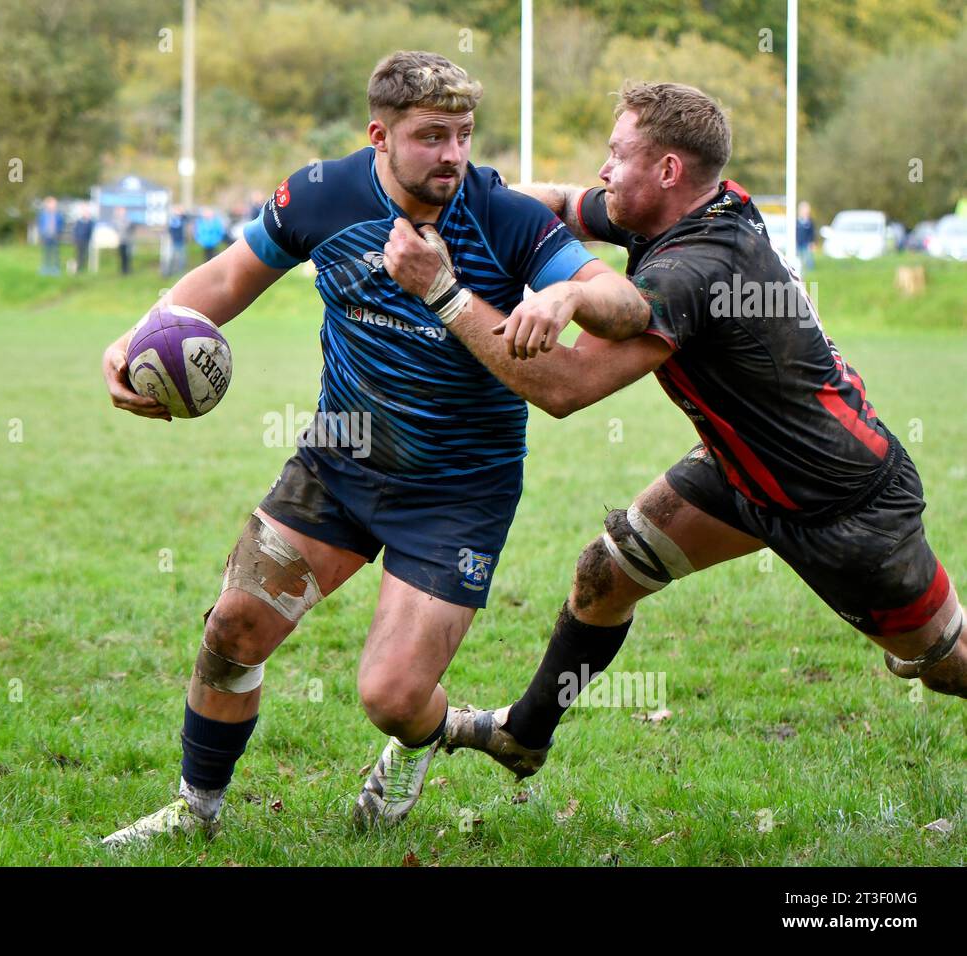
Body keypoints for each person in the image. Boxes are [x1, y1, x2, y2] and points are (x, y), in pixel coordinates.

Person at [98, 50, 647, 846]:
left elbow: (624, 302)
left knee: (392, 696)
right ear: (379, 135)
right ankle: (196, 810)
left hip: (460, 491)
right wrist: (133, 337)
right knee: (232, 632)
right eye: (431, 137)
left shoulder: (503, 215)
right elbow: (225, 281)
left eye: (463, 135)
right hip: (337, 463)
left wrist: (565, 289)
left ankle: (417, 741)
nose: (453, 154)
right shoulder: (322, 194)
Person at [375, 81, 966, 783]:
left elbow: (565, 386)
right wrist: (457, 194)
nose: (603, 169)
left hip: (843, 508)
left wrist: (447, 290)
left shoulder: (702, 267)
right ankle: (524, 737)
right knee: (605, 573)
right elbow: (562, 205)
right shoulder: (671, 211)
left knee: (944, 667)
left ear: (667, 171)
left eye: (616, 154)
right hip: (737, 469)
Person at [37, 196, 62, 275]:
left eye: (54, 204)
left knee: (55, 253)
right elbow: (40, 224)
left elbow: (61, 224)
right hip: (46, 236)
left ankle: (55, 268)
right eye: (51, 204)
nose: (53, 206)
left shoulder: (58, 215)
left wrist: (58, 232)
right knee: (46, 253)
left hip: (55, 236)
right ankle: (45, 268)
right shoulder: (43, 215)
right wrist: (42, 233)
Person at [163, 205, 188, 277]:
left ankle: (181, 272)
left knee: (181, 257)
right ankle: (169, 272)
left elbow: (187, 217)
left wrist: (182, 213)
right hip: (172, 241)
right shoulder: (171, 219)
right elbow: (169, 229)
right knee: (171, 257)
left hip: (181, 241)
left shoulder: (182, 218)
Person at [796, 200, 816, 272]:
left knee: (808, 258)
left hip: (806, 244)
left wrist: (812, 242)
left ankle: (809, 270)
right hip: (798, 244)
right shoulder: (796, 222)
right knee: (798, 258)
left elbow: (812, 233)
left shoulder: (810, 222)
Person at [73, 205, 94, 274]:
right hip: (79, 240)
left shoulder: (90, 222)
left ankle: (82, 267)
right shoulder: (79, 221)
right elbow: (76, 231)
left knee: (84, 254)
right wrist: (75, 239)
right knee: (78, 254)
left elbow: (91, 231)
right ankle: (78, 268)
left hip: (86, 240)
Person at [115, 206, 135, 275]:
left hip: (127, 241)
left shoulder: (128, 220)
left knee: (128, 256)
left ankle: (128, 270)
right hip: (121, 241)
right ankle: (123, 270)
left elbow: (127, 227)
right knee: (122, 256)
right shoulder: (116, 220)